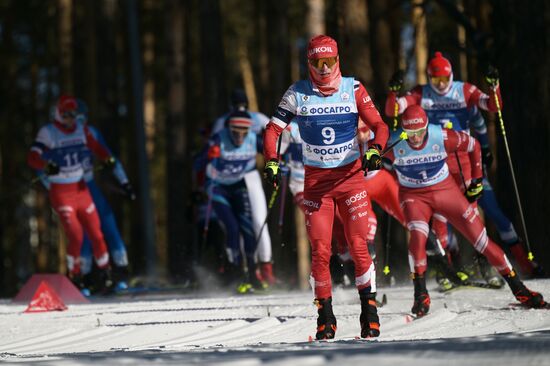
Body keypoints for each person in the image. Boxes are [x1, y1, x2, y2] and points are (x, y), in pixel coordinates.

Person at [263, 35, 389, 339]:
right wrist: (271, 161)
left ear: (337, 60)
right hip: (317, 186)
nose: (323, 68)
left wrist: (375, 149)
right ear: (309, 63)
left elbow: (380, 125)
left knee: (359, 247)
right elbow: (273, 129)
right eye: (317, 62)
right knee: (321, 251)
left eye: (329, 61)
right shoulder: (297, 92)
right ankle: (325, 318)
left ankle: (369, 313)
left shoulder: (353, 88)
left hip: (351, 181)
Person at [385, 51, 542, 280]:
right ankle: (452, 268)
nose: (440, 86)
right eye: (435, 80)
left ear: (452, 76)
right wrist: (393, 93)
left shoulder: (464, 90)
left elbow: (493, 106)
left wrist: (494, 85)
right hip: (438, 163)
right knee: (442, 219)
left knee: (490, 211)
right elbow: (393, 110)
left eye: (444, 80)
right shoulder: (422, 93)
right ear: (429, 78)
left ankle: (524, 262)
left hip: (467, 159)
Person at [386, 105, 545, 316]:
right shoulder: (393, 141)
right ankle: (420, 295)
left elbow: (475, 145)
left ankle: (520, 289)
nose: (415, 138)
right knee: (417, 237)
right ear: (403, 130)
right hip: (414, 196)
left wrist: (477, 181)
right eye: (410, 133)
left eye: (420, 132)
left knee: (482, 241)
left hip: (445, 191)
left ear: (427, 127)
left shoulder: (440, 136)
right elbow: (364, 149)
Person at [27, 95, 114, 291]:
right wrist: (46, 166)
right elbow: (32, 158)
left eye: (73, 115)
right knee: (76, 235)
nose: (69, 119)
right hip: (61, 192)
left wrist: (107, 159)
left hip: (81, 189)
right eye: (65, 114)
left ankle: (106, 273)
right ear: (58, 114)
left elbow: (96, 147)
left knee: (96, 233)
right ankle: (75, 276)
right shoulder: (48, 133)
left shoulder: (81, 130)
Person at [212, 89, 276, 285]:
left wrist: (277, 157)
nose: (240, 108)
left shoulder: (259, 118)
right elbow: (215, 145)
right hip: (230, 176)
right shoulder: (223, 122)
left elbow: (276, 134)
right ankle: (244, 267)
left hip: (249, 173)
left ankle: (265, 267)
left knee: (257, 220)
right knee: (238, 223)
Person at [75, 99, 135, 292]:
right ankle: (84, 280)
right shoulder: (57, 135)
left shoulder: (91, 133)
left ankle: (121, 275)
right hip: (73, 190)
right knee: (83, 234)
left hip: (90, 186)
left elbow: (110, 158)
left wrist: (125, 183)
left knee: (109, 225)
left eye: (82, 118)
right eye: (75, 118)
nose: (79, 123)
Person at [205, 110, 267, 293]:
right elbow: (198, 161)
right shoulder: (218, 138)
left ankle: (253, 273)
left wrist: (280, 163)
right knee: (232, 228)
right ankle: (235, 271)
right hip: (217, 188)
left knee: (248, 229)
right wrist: (210, 155)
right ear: (229, 129)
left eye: (244, 132)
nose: (240, 137)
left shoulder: (253, 139)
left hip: (239, 185)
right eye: (235, 132)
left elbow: (272, 151)